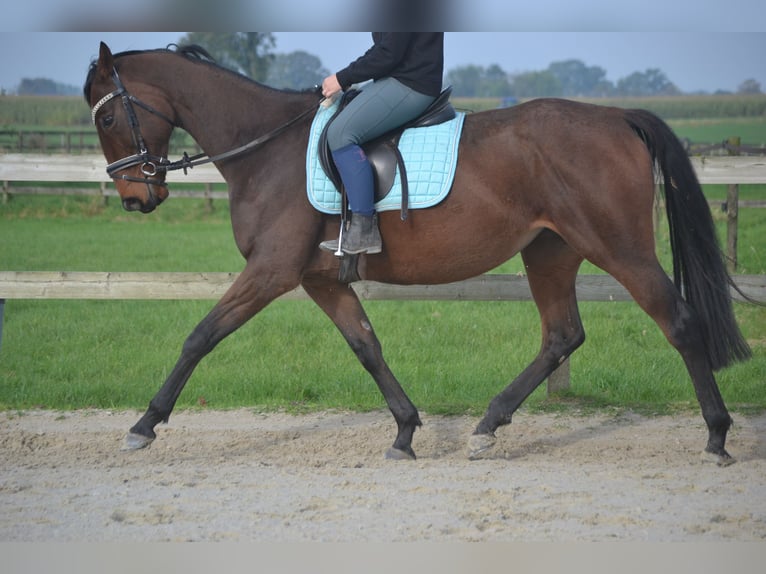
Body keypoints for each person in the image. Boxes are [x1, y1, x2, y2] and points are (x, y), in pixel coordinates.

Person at [319, 33, 445, 255]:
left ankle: (363, 229)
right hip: (400, 78)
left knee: (339, 134)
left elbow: (389, 54)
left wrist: (342, 77)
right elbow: (384, 48)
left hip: (409, 83)